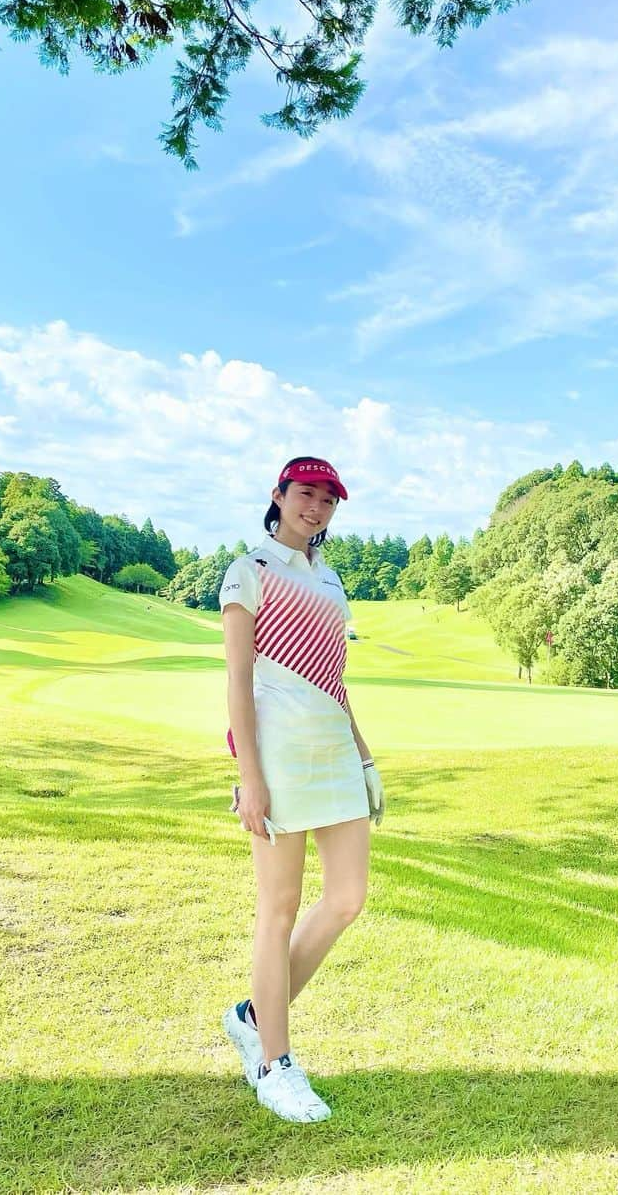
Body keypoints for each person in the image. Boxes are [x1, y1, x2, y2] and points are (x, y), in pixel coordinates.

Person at [218, 456, 385, 1124]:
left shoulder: (331, 578)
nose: (316, 507)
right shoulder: (249, 572)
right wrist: (249, 778)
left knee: (347, 898)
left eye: (327, 499)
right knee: (279, 907)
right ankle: (273, 1063)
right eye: (306, 494)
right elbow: (237, 684)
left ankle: (253, 1017)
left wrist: (366, 760)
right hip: (280, 760)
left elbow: (335, 683)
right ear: (279, 497)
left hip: (335, 753)